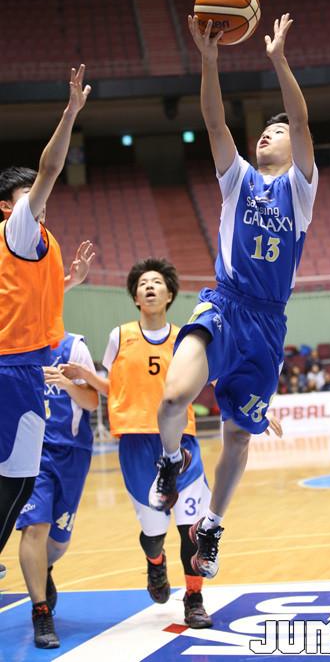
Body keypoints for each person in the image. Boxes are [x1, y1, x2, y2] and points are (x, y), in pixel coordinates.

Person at [149, 13, 318, 580]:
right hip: (223, 305)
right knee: (173, 399)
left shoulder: (300, 191)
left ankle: (213, 527)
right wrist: (210, 59)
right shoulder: (237, 178)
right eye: (264, 131)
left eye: (278, 132)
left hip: (266, 327)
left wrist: (278, 60)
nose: (268, 134)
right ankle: (170, 462)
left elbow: (300, 117)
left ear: (296, 148)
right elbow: (214, 120)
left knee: (238, 439)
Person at [63, 258, 213, 629]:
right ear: (134, 297)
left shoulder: (186, 339)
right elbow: (115, 388)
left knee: (191, 528)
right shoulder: (120, 336)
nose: (149, 287)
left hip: (181, 442)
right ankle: (155, 562)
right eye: (143, 283)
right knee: (154, 533)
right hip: (136, 445)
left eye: (156, 282)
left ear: (170, 294)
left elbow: (211, 380)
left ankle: (194, 598)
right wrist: (86, 376)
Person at [0, 65, 91, 582]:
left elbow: (22, 303)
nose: (41, 196)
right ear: (7, 207)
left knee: (16, 481)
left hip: (20, 365)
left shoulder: (34, 245)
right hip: (13, 368)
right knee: (16, 482)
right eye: (28, 193)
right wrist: (71, 113)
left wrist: (67, 284)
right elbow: (51, 167)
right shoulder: (19, 227)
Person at [16, 332, 98, 649]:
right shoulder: (15, 346)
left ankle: (44, 567)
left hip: (72, 452)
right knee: (34, 527)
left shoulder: (73, 347)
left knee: (58, 542)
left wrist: (66, 384)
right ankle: (41, 612)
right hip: (30, 450)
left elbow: (92, 402)